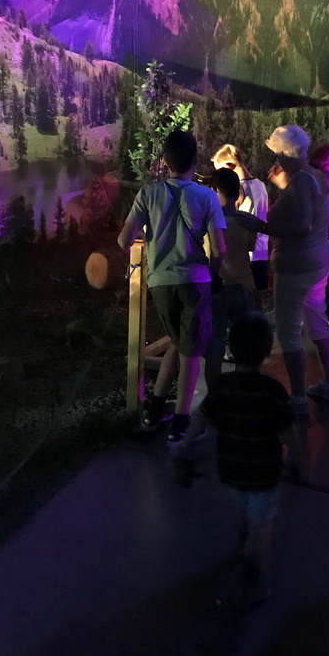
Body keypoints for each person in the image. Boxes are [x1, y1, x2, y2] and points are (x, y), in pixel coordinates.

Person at [183, 312, 306, 609]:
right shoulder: (273, 390)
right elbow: (289, 431)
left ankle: (244, 535)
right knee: (262, 526)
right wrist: (299, 461)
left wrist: (183, 448)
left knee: (242, 504)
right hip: (263, 474)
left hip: (230, 469)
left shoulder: (222, 386)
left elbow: (199, 418)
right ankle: (257, 575)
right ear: (266, 350)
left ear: (231, 348)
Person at [118, 129, 226, 448]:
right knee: (191, 353)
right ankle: (180, 424)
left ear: (164, 161)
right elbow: (218, 249)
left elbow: (124, 240)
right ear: (195, 160)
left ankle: (153, 411)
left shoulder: (148, 194)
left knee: (178, 345)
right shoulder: (206, 196)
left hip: (160, 284)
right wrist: (215, 274)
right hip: (196, 282)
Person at [237, 125, 329, 416]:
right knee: (318, 320)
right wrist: (284, 188)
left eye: (277, 155)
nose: (277, 161)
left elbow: (302, 225)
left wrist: (264, 226)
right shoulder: (314, 176)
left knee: (290, 331)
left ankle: (298, 399)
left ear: (285, 153)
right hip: (319, 259)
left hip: (297, 264)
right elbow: (311, 213)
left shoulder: (301, 182)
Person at [203, 168, 257, 389]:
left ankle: (214, 396)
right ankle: (242, 392)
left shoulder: (209, 222)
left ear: (216, 191)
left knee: (214, 347)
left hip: (216, 287)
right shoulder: (248, 222)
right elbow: (250, 248)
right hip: (244, 286)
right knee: (244, 345)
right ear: (238, 193)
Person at [212, 143, 269, 290]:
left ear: (229, 166)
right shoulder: (260, 185)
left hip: (244, 257)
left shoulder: (238, 190)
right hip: (261, 253)